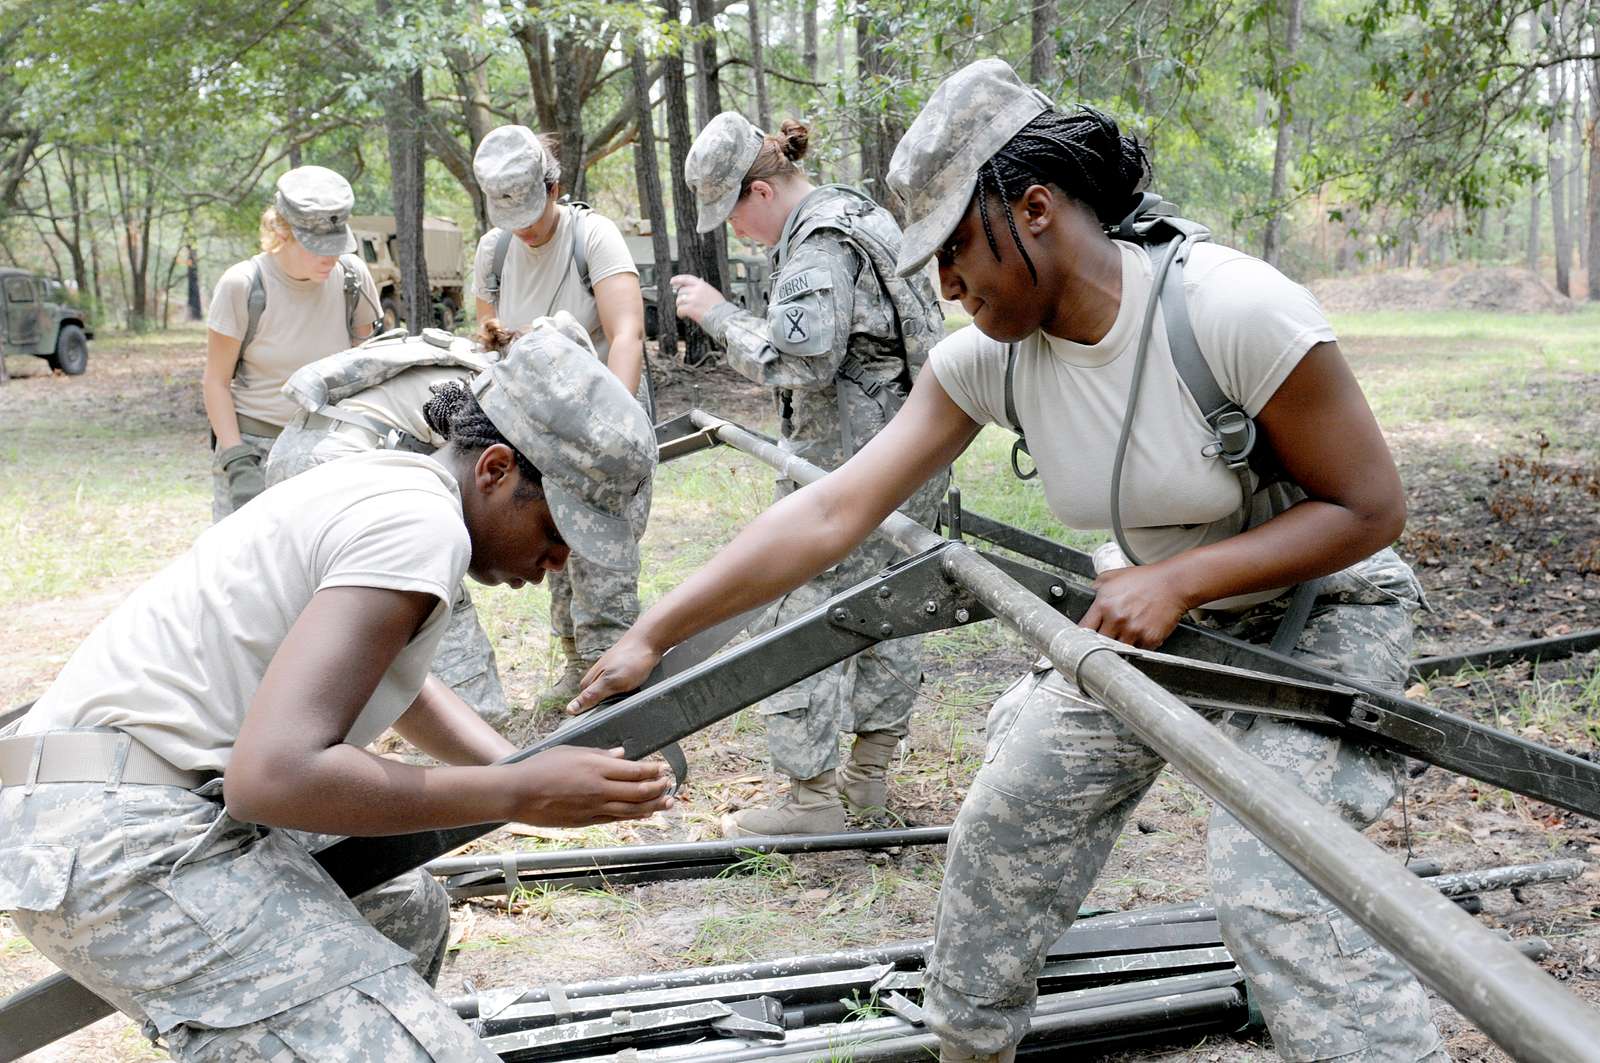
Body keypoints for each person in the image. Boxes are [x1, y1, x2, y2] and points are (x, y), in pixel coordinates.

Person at [571, 59, 1447, 1063]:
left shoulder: (1228, 309)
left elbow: (1370, 506)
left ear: (1034, 209)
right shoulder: (988, 357)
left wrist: (1177, 578)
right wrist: (652, 631)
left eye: (954, 253)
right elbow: (830, 511)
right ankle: (968, 1048)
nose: (947, 287)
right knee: (1003, 829)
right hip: (1157, 615)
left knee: (1278, 882)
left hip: (1322, 611)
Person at [0, 321, 670, 1061]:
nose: (559, 559)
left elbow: (389, 681)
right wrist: (512, 794)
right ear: (497, 469)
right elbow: (273, 778)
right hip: (117, 840)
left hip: (102, 803)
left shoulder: (394, 486)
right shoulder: (418, 528)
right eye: (557, 527)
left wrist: (515, 768)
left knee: (404, 909)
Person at [661, 112, 949, 836]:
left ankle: (813, 799)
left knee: (803, 615)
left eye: (733, 215)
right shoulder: (861, 213)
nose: (737, 232)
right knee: (891, 607)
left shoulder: (819, 244)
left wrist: (719, 315)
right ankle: (866, 781)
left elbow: (802, 357)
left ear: (759, 190)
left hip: (847, 470)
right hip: (904, 454)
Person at [263, 317, 540, 729]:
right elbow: (465, 467)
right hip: (340, 459)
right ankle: (483, 715)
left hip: (298, 454)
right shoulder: (487, 384)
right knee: (434, 586)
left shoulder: (451, 360)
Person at [471, 125, 652, 708]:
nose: (524, 226)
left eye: (532, 208)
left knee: (601, 564)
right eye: (509, 214)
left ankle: (615, 690)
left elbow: (626, 335)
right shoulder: (495, 251)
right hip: (537, 437)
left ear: (555, 187)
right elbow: (491, 345)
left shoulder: (591, 237)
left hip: (602, 427)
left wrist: (609, 437)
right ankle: (576, 667)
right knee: (552, 548)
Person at [203, 165, 382, 521]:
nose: (330, 258)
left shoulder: (351, 277)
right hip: (257, 448)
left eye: (336, 246)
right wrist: (236, 459)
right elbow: (216, 382)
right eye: (317, 248)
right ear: (282, 232)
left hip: (331, 444)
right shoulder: (243, 285)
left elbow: (367, 371)